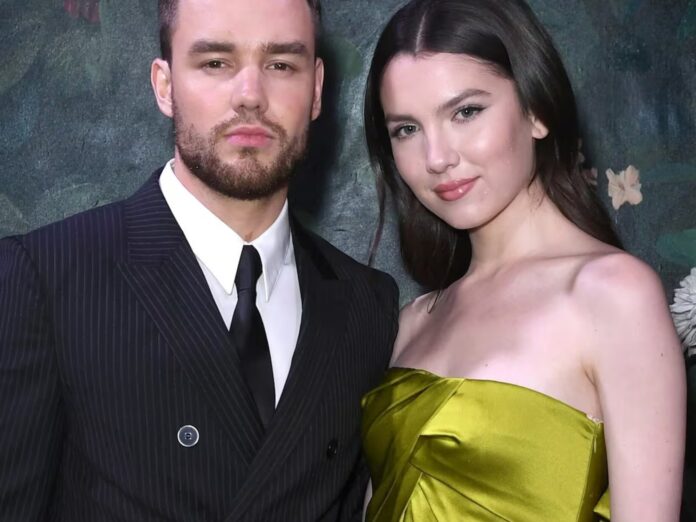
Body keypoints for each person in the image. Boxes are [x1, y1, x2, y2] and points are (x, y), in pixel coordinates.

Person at [0, 0, 398, 520]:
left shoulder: (367, 303)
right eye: (215, 62)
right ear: (164, 85)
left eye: (281, 64)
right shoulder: (45, 278)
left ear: (317, 88)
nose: (251, 95)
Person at [361, 0, 686, 520]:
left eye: (465, 112)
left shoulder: (612, 294)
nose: (437, 157)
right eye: (407, 129)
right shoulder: (413, 321)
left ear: (537, 110)